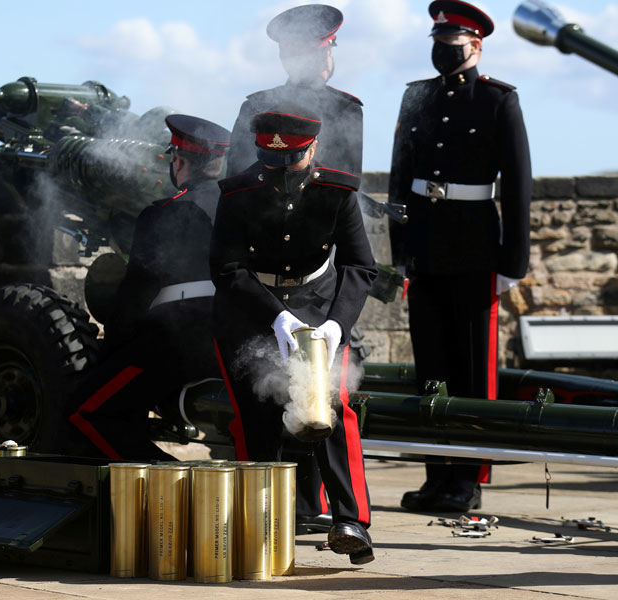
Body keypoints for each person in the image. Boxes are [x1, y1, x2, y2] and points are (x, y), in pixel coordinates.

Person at [210, 103, 377, 564]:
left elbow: (360, 267)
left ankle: (352, 521)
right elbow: (226, 269)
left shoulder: (336, 191)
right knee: (256, 415)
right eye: (271, 160)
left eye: (292, 159)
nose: (281, 170)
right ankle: (257, 524)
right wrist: (276, 317)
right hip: (251, 308)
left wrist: (336, 324)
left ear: (313, 148)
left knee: (331, 405)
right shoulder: (237, 192)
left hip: (318, 305)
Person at [388, 0, 532, 512]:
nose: (443, 52)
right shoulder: (417, 97)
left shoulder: (498, 100)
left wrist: (512, 262)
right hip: (425, 247)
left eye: (451, 44)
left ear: (475, 46)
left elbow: (517, 185)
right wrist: (399, 252)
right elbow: (399, 177)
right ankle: (436, 475)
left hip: (474, 249)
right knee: (431, 367)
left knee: (472, 371)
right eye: (438, 43)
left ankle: (467, 479)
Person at [226, 3, 365, 532]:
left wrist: (335, 302)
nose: (327, 59)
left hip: (319, 272)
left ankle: (313, 504)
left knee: (321, 395)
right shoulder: (256, 108)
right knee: (267, 397)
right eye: (321, 51)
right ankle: (284, 510)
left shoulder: (346, 109)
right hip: (263, 268)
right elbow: (236, 185)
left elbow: (343, 195)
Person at [63, 114, 230, 461]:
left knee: (83, 413)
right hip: (233, 336)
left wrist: (109, 353)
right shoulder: (241, 208)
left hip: (181, 341)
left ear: (178, 161)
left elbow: (135, 297)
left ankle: (172, 479)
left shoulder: (163, 214)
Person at [226, 4, 363, 178]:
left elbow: (234, 181)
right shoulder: (345, 109)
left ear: (284, 57)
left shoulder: (253, 106)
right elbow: (349, 186)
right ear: (324, 55)